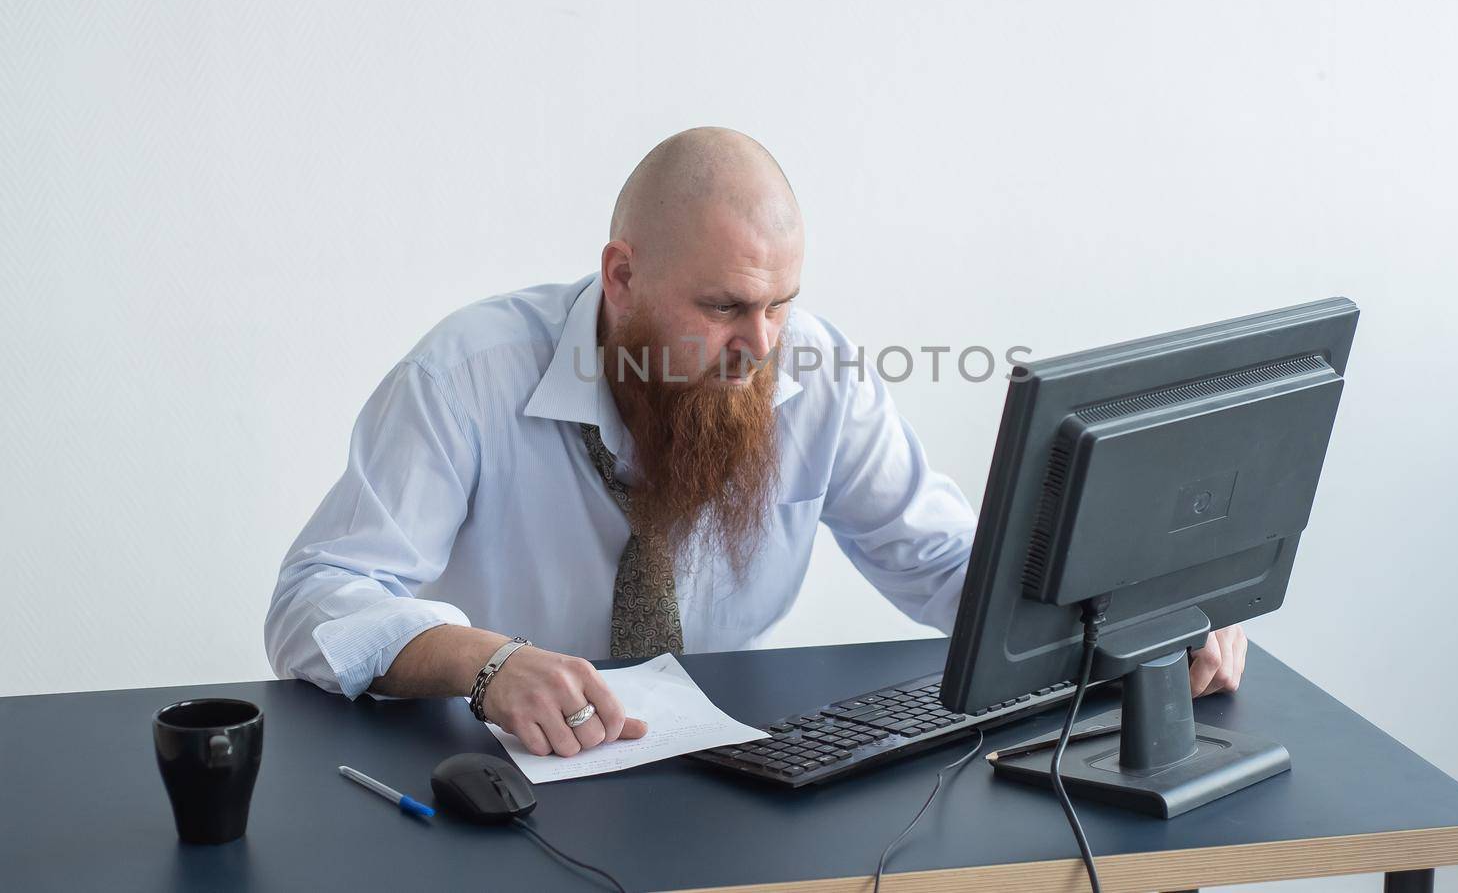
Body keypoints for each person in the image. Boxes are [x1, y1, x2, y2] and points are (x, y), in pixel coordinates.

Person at [264, 126, 1247, 759]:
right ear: (620, 276)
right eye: (725, 306)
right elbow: (317, 601)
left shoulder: (813, 369)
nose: (761, 347)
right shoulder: (467, 372)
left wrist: (1148, 610)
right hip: (500, 781)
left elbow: (950, 563)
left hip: (719, 777)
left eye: (781, 303)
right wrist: (484, 663)